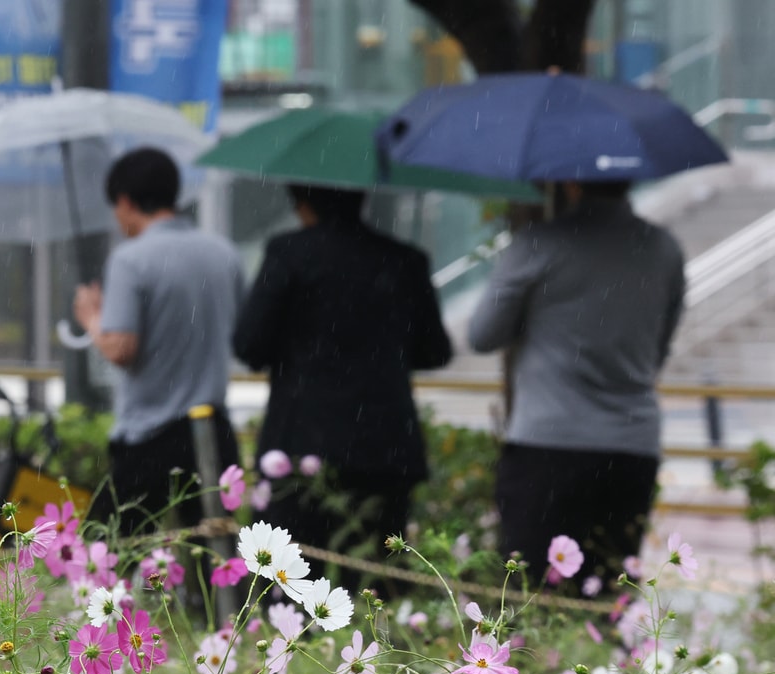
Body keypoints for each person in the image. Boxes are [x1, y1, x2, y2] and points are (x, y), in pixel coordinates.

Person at [233, 184, 453, 593]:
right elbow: (435, 351)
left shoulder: (288, 254)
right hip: (384, 444)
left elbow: (248, 344)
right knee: (375, 585)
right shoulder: (405, 261)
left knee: (288, 586)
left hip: (301, 442)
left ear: (301, 202)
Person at [470, 180, 686, 588]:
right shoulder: (664, 248)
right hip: (631, 446)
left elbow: (483, 335)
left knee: (528, 595)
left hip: (547, 444)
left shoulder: (539, 242)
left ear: (568, 182)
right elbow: (658, 348)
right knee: (607, 591)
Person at [74, 147, 243, 543]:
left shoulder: (131, 260)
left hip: (150, 437)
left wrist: (92, 317)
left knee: (107, 554)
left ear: (127, 201)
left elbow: (120, 349)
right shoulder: (224, 254)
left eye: (117, 206)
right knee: (215, 561)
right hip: (212, 430)